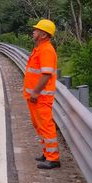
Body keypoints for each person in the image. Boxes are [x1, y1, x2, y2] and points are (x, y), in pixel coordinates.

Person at [24, 19, 60, 169]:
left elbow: (46, 74)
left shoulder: (46, 50)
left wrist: (36, 92)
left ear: (43, 34)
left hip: (41, 97)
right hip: (36, 97)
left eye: (36, 30)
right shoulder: (40, 48)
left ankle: (53, 158)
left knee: (46, 125)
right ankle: (47, 153)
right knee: (39, 125)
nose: (33, 32)